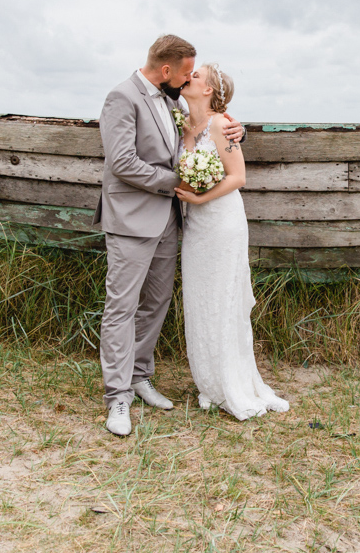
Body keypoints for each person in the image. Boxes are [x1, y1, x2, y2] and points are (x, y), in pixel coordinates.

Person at [94, 35, 243, 437]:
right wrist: (180, 181)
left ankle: (141, 376)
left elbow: (200, 132)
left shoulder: (174, 101)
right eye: (184, 73)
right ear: (166, 70)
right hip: (130, 219)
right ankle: (118, 395)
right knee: (121, 306)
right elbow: (122, 162)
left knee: (156, 302)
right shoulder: (121, 98)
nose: (186, 80)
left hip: (169, 222)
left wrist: (233, 132)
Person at [174, 64, 290, 419]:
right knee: (200, 300)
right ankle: (209, 383)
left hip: (222, 223)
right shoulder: (183, 121)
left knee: (223, 301)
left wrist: (197, 199)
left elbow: (238, 176)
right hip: (195, 229)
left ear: (208, 89)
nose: (187, 77)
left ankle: (232, 383)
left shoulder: (221, 125)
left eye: (195, 76)